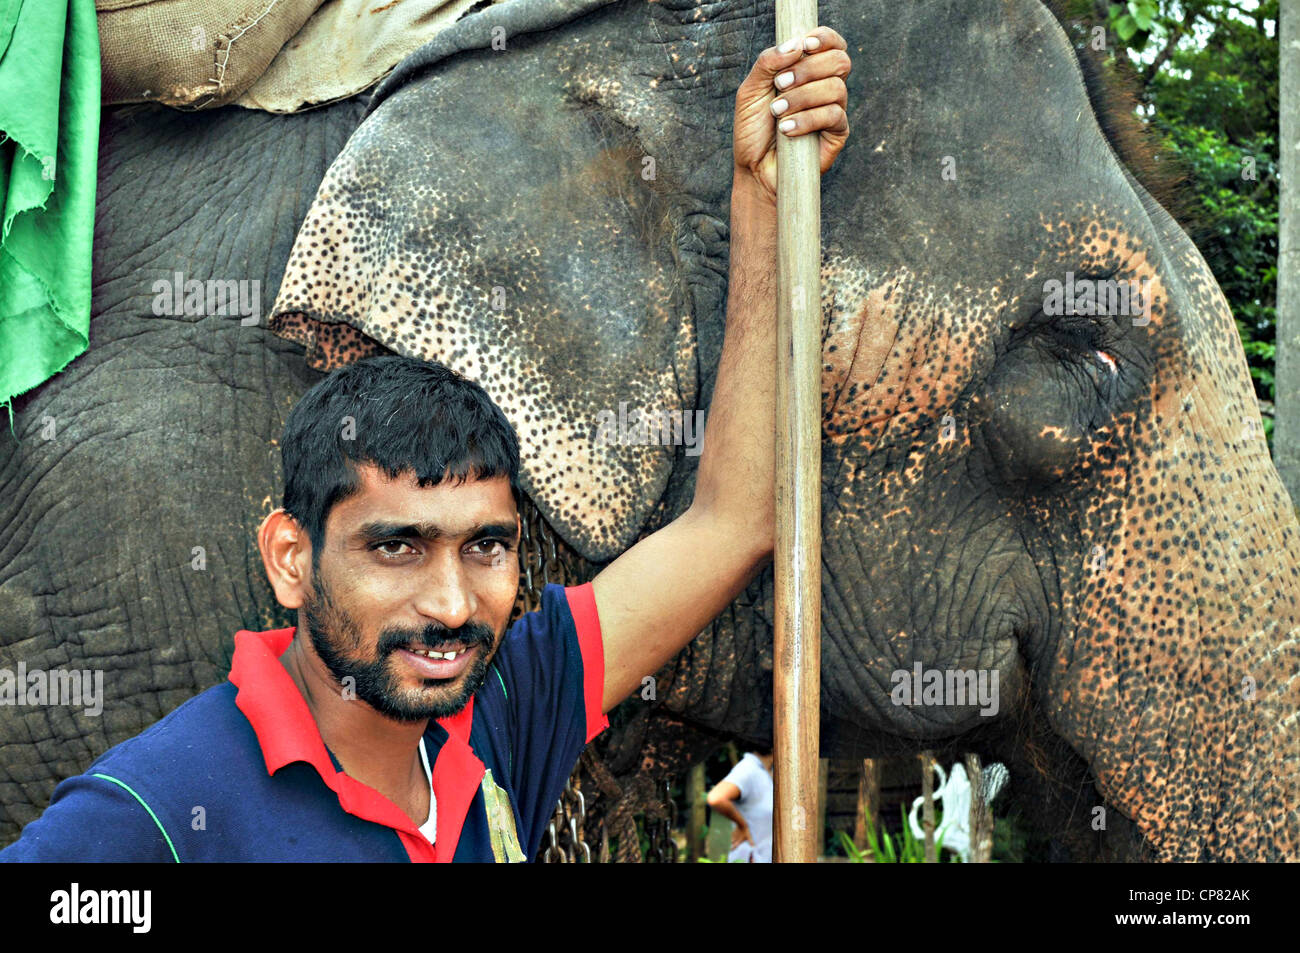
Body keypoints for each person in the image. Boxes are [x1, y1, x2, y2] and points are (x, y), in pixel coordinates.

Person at [0, 28, 851, 862]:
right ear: (291, 557)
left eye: (485, 546)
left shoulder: (506, 712)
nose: (451, 605)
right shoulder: (159, 804)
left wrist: (764, 198)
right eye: (398, 546)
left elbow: (734, 518)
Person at [708, 749, 775, 862]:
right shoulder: (748, 768)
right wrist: (742, 825)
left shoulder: (767, 771)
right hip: (749, 856)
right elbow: (716, 797)